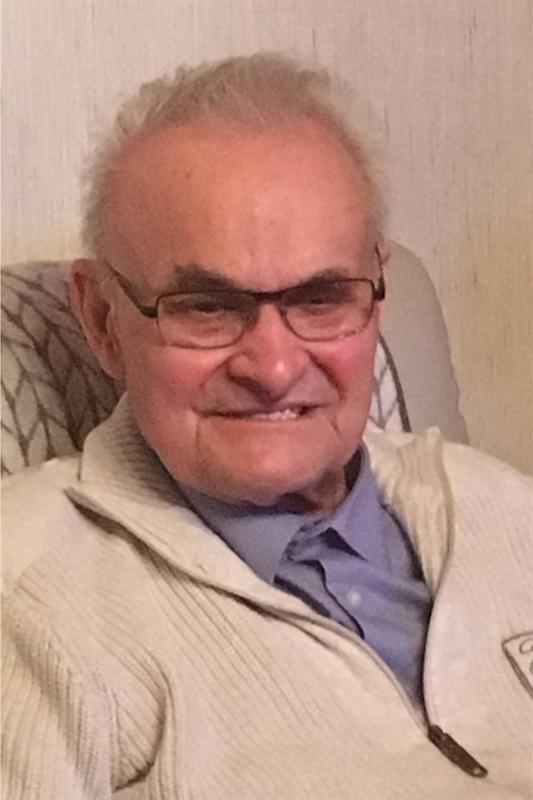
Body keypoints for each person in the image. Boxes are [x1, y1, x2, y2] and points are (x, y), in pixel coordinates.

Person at [1, 53, 532, 800]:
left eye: (321, 298)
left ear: (376, 295)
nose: (275, 369)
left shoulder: (502, 507)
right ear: (101, 319)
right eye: (206, 307)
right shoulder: (29, 596)